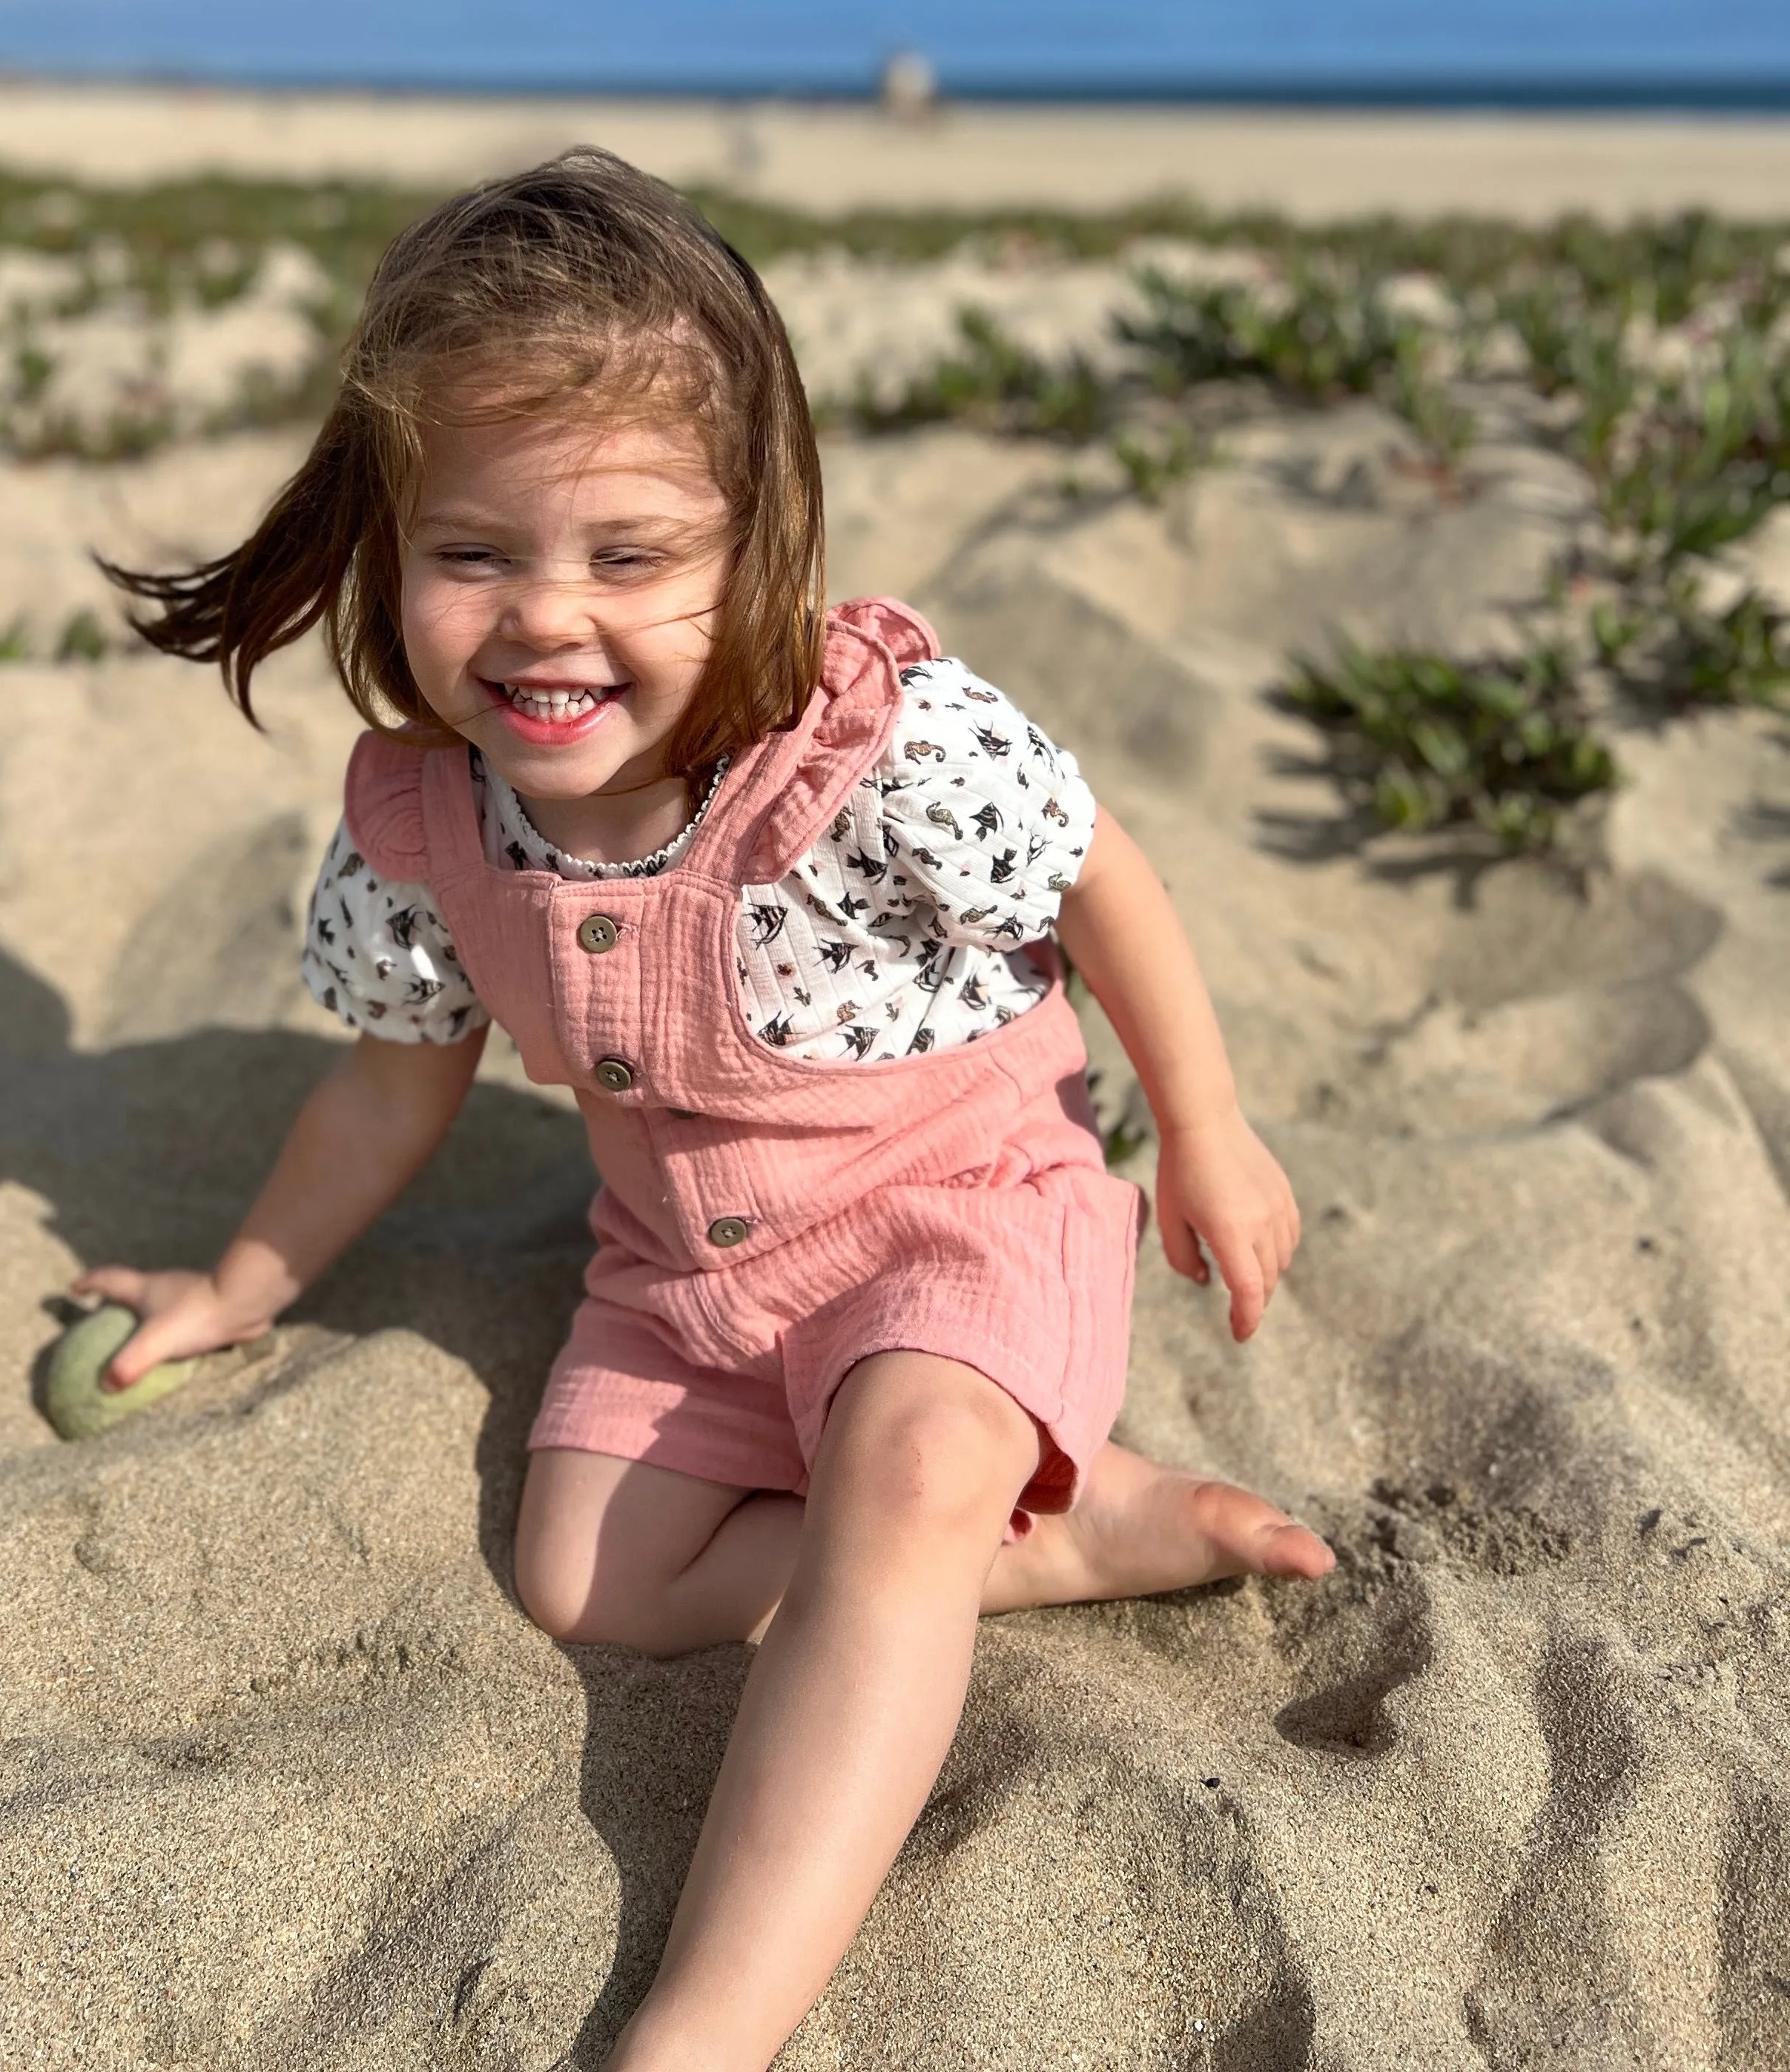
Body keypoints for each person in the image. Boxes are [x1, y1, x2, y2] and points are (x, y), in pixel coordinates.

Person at [79, 148, 1333, 2070]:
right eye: (474, 553)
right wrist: (244, 1281)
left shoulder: (866, 744)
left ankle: (710, 2020)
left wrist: (1211, 1119)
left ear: (757, 541)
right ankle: (1069, 1543)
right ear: (387, 540)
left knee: (905, 1471)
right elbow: (394, 1082)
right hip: (683, 1275)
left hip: (959, 1206)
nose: (543, 622)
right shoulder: (424, 822)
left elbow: (1098, 871)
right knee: (588, 1581)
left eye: (630, 557)